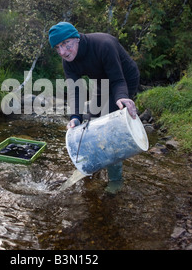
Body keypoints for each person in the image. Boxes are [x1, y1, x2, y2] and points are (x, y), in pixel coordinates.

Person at [48, 21, 140, 193]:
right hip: (101, 83)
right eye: (57, 48)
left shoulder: (103, 45)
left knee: (111, 129)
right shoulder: (68, 61)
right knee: (90, 120)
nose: (62, 52)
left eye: (66, 44)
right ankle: (92, 164)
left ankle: (115, 180)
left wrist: (122, 98)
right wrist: (75, 117)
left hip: (124, 79)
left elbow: (118, 80)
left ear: (76, 38)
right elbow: (76, 91)